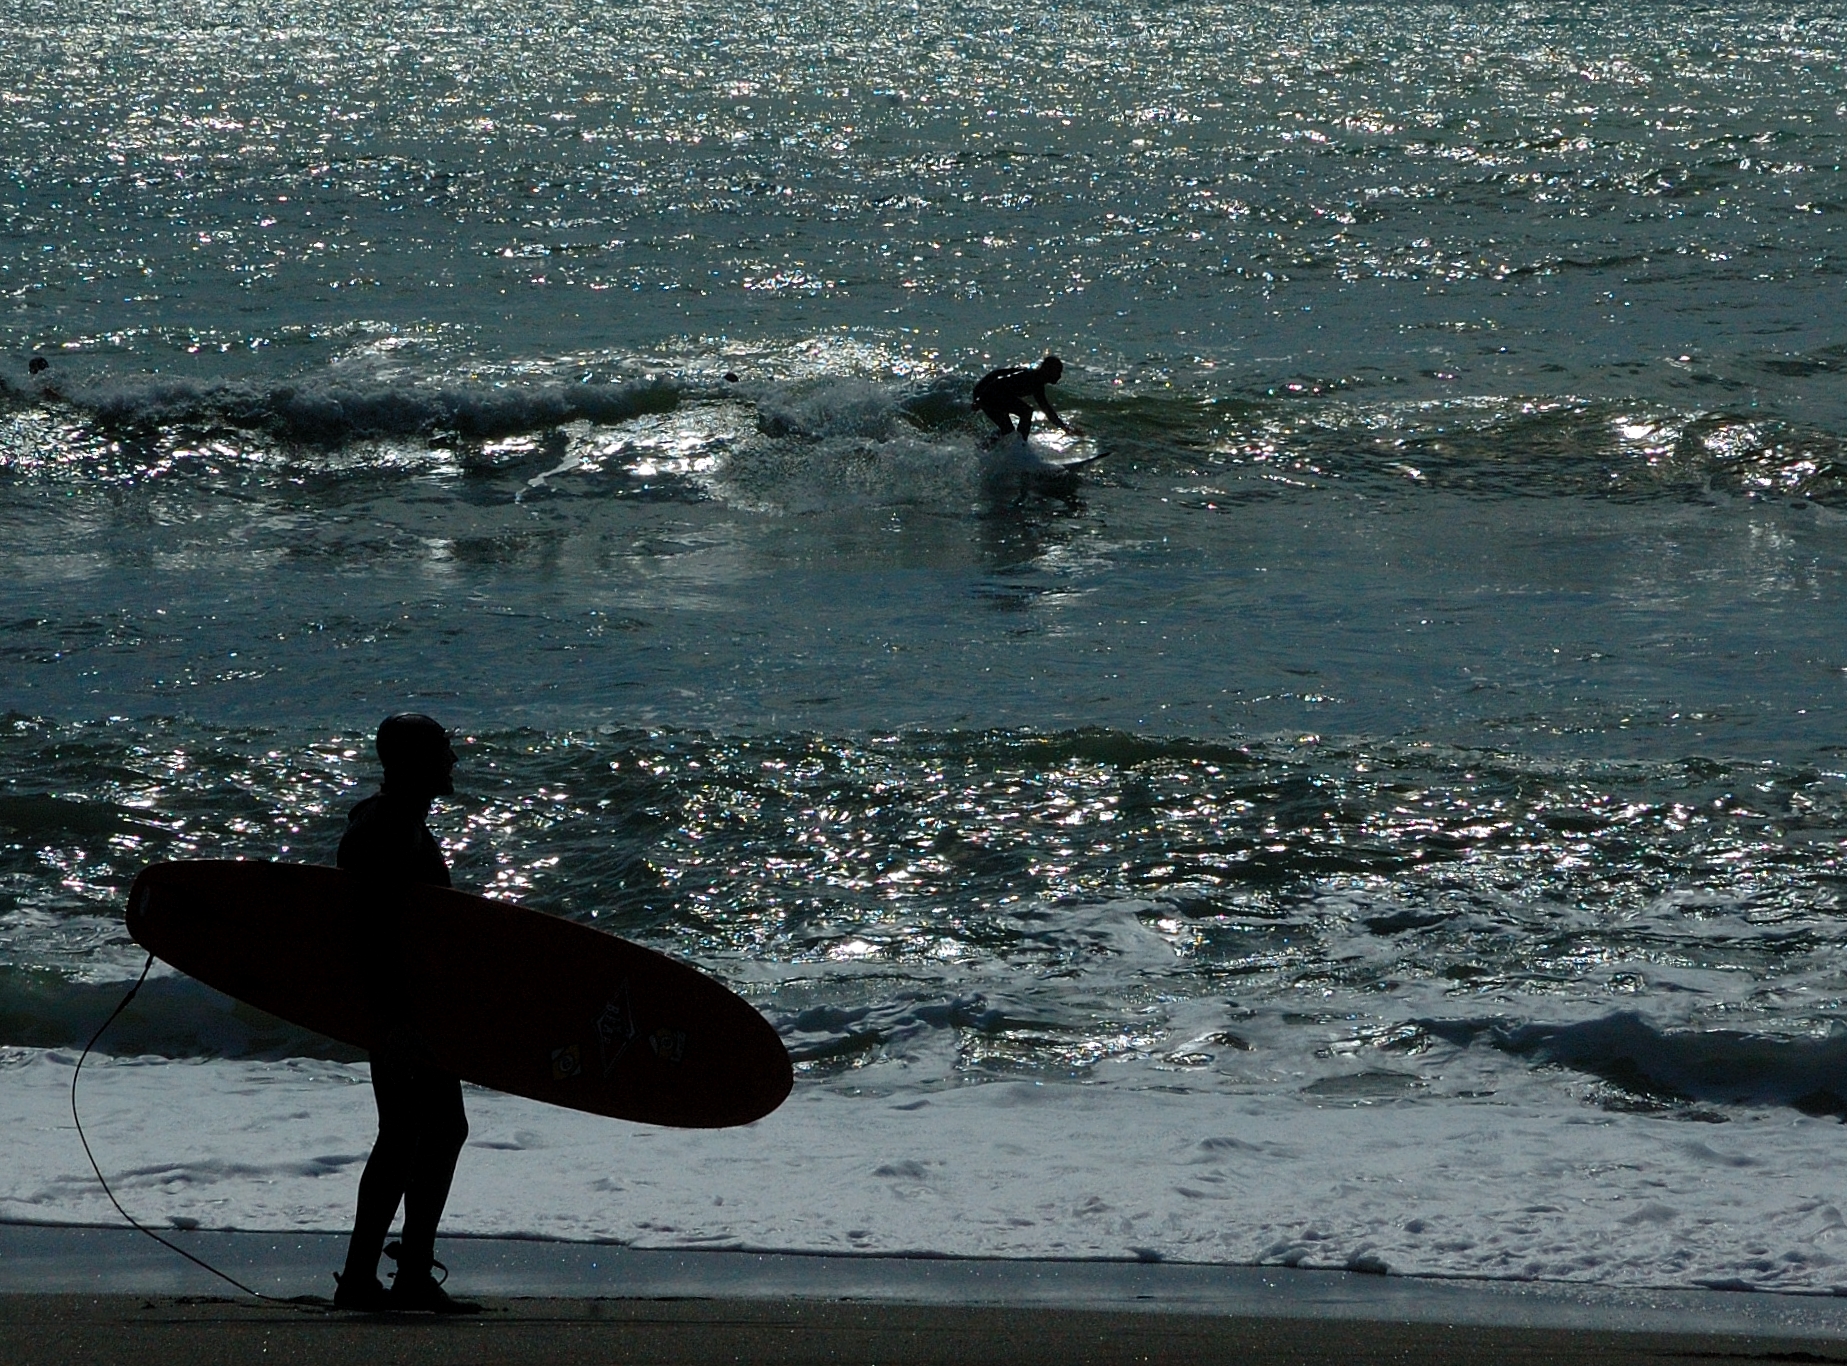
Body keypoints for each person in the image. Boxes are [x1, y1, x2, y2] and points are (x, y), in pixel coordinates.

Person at [331, 713, 480, 1314]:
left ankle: (383, 1275)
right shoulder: (387, 828)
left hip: (410, 1011)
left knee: (420, 1130)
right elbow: (368, 933)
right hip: (400, 1013)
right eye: (442, 750)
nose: (452, 762)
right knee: (417, 1131)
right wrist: (394, 1022)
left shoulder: (398, 822)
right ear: (413, 760)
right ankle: (385, 1276)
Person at [971, 354, 1076, 440]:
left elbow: (1047, 410)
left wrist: (1065, 428)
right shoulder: (1028, 376)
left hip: (992, 393)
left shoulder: (1038, 385)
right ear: (1047, 370)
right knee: (1026, 412)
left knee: (1008, 431)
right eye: (1057, 372)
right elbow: (998, 381)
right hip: (986, 391)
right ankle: (1021, 446)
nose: (1059, 376)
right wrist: (980, 399)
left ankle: (986, 446)